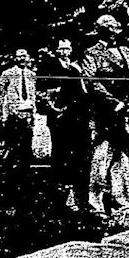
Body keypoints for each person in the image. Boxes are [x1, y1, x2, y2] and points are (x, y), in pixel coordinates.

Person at [82, 15, 129, 216]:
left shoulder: (128, 52)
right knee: (101, 159)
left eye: (116, 26)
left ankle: (122, 205)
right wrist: (115, 104)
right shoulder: (91, 53)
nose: (114, 30)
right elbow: (92, 82)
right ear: (101, 29)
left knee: (122, 160)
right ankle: (96, 205)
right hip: (106, 115)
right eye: (110, 27)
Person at [39, 39, 91, 210]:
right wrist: (55, 109)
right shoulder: (50, 67)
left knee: (77, 155)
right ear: (56, 50)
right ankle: (59, 196)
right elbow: (45, 91)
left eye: (68, 48)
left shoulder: (75, 67)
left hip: (76, 117)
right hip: (60, 116)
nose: (65, 51)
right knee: (60, 154)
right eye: (62, 48)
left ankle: (77, 195)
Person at [0, 48, 37, 206]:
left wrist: (33, 115)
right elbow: (2, 96)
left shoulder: (32, 74)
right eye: (19, 56)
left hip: (27, 116)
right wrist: (5, 114)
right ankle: (9, 188)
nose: (22, 58)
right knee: (12, 151)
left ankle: (25, 188)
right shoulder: (7, 73)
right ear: (14, 57)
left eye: (24, 55)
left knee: (26, 152)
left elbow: (33, 95)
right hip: (14, 117)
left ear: (27, 57)